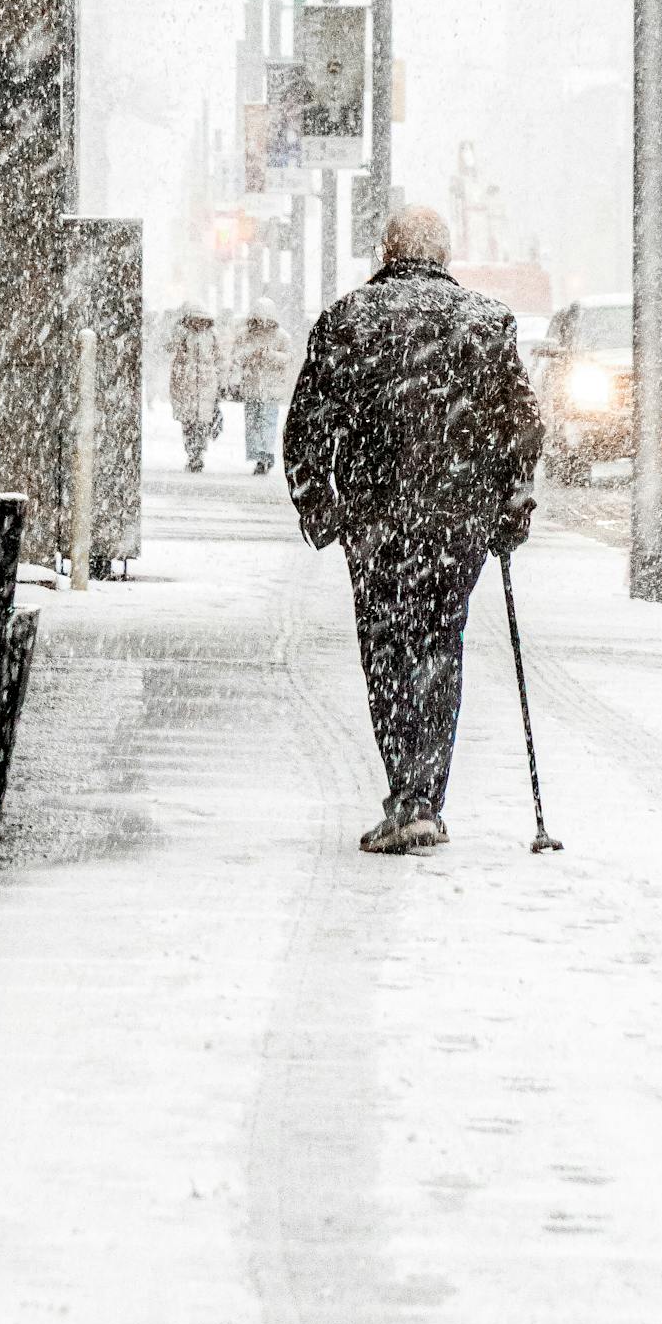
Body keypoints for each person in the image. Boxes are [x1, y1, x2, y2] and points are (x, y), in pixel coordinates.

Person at [283, 202, 543, 854]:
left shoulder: (348, 319)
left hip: (377, 523)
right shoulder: (487, 323)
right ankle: (424, 795)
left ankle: (409, 791)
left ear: (386, 251)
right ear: (446, 254)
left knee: (387, 648)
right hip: (459, 521)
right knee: (438, 643)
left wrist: (324, 511)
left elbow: (307, 428)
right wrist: (510, 509)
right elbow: (523, 427)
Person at [232, 297, 292, 474]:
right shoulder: (244, 335)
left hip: (271, 388)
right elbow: (237, 356)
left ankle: (266, 455)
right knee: (253, 423)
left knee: (267, 422)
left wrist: (270, 355)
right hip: (252, 386)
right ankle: (259, 456)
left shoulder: (281, 336)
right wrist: (252, 355)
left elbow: (288, 357)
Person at [168, 303, 224, 473]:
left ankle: (198, 454)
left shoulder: (212, 336)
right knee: (189, 424)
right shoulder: (182, 335)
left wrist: (220, 381)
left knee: (201, 424)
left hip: (206, 387)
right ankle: (192, 454)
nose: (198, 323)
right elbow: (171, 351)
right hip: (187, 387)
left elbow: (219, 359)